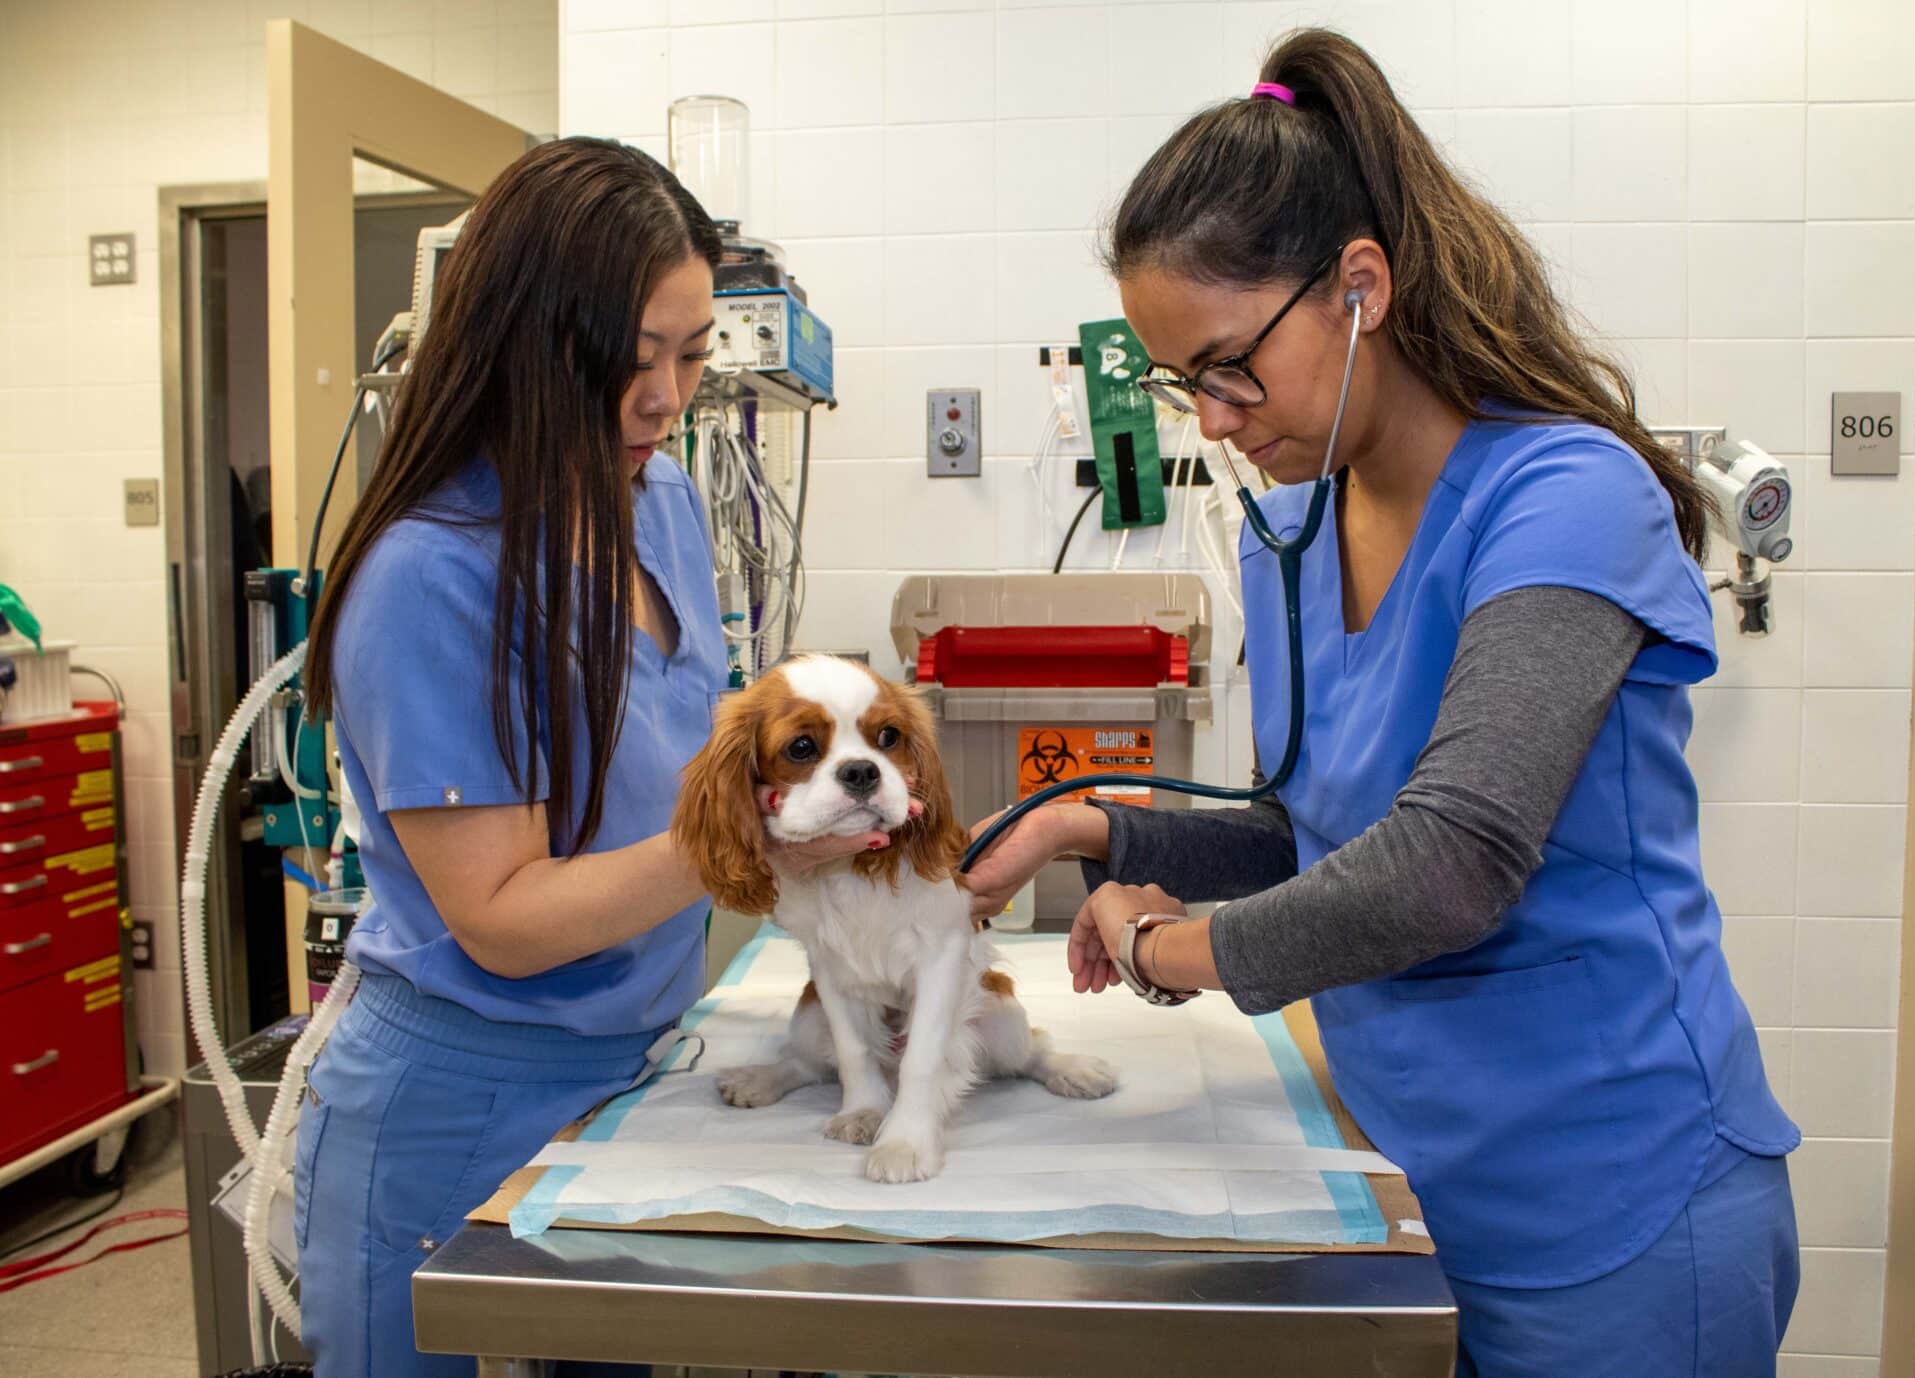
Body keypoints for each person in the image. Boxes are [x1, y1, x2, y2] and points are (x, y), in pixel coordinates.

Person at [963, 30, 1801, 1378]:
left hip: (1613, 1206)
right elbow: (1321, 827)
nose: (1218, 419)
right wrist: (1089, 833)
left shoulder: (1563, 497)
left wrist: (1165, 951)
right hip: (1401, 1189)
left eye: (1233, 365)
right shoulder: (1294, 530)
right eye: (1189, 386)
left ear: (1358, 288)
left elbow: (1449, 860)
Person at [295, 138, 882, 1376]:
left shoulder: (654, 499)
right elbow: (502, 918)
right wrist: (755, 836)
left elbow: (701, 748)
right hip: (457, 1098)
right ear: (525, 343)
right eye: (633, 361)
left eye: (692, 354)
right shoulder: (429, 574)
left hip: (632, 1069)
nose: (667, 398)